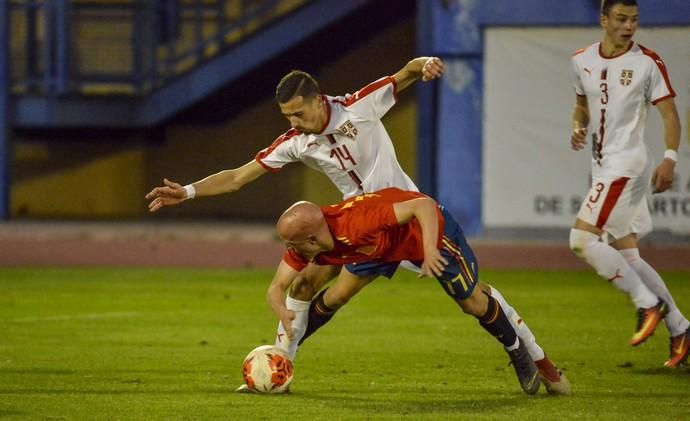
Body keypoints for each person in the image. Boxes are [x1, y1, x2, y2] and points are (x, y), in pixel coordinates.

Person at [145, 58, 568, 390]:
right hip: (358, 229)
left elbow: (406, 73)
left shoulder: (359, 106)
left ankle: (536, 361)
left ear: (317, 100)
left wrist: (426, 64)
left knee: (472, 300)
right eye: (286, 117)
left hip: (406, 219)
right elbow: (238, 177)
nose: (292, 123)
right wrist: (189, 191)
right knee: (309, 287)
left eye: (296, 113)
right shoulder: (296, 142)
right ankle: (279, 365)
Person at [267, 187, 565, 395]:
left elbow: (423, 205)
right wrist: (281, 310)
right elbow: (277, 287)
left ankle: (517, 351)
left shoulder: (357, 224)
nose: (288, 250)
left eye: (292, 244)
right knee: (337, 295)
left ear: (311, 239)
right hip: (377, 248)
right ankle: (280, 362)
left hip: (427, 234)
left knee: (472, 302)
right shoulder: (310, 241)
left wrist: (431, 250)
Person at [569, 0, 689, 367]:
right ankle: (681, 330)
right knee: (628, 255)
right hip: (602, 164)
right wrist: (578, 125)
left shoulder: (647, 62)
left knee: (582, 240)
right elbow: (581, 105)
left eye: (634, 20)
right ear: (604, 20)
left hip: (627, 166)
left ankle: (646, 303)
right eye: (621, 19)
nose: (629, 26)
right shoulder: (582, 60)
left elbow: (669, 114)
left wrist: (670, 158)